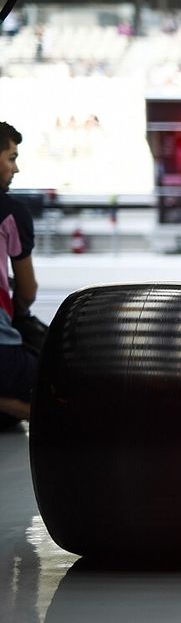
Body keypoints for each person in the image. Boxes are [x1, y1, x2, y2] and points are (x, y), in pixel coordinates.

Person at [0, 122, 38, 423]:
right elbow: (27, 291)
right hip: (3, 353)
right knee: (63, 382)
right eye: (11, 158)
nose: (16, 168)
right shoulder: (11, 213)